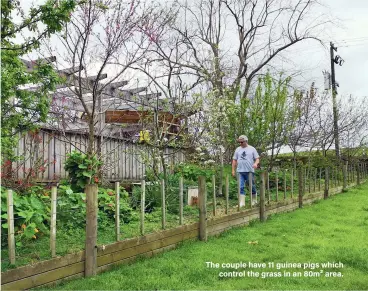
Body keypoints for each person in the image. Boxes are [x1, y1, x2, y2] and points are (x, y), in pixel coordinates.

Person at [232, 135, 260, 207]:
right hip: (240, 171)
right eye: (239, 142)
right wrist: (233, 170)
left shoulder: (252, 149)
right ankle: (242, 203)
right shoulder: (237, 149)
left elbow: (257, 158)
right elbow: (234, 160)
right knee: (240, 186)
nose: (240, 143)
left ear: (246, 141)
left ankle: (254, 200)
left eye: (242, 142)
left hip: (249, 171)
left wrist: (256, 163)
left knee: (251, 186)